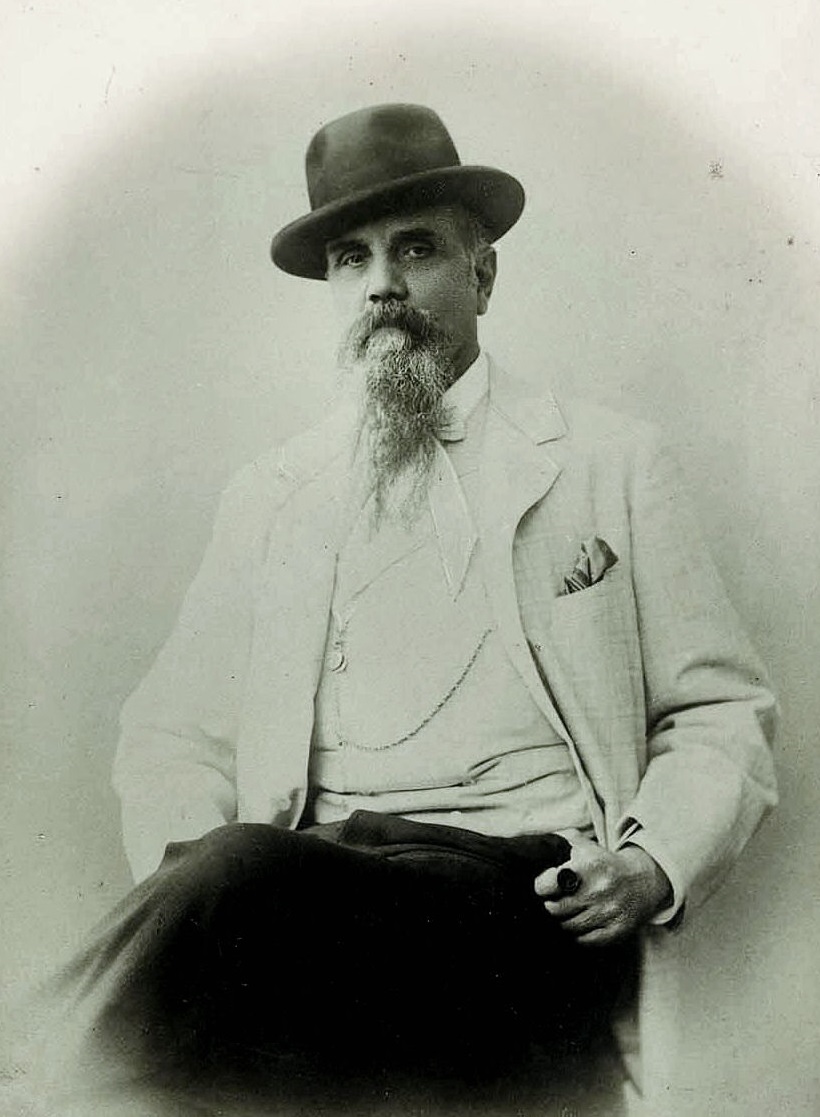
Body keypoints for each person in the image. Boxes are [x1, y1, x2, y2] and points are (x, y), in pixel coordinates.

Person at [38, 104, 777, 1116]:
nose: (382, 283)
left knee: (238, 891)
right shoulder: (274, 494)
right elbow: (173, 737)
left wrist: (651, 863)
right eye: (353, 258)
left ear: (483, 275)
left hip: (524, 901)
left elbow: (720, 709)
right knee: (241, 897)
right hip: (309, 887)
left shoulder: (609, 463)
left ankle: (33, 1063)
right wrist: (199, 872)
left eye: (415, 248)